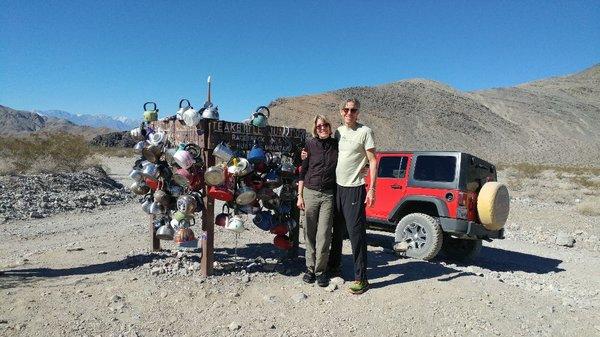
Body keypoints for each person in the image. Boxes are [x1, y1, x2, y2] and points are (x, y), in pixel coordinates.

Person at [334, 98, 377, 294]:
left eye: (353, 110)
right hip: (336, 188)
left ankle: (361, 278)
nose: (349, 113)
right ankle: (334, 267)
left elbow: (373, 161)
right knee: (336, 232)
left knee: (356, 235)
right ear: (341, 112)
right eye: (346, 110)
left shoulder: (365, 132)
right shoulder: (338, 132)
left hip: (354, 188)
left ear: (358, 112)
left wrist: (371, 188)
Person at [297, 115, 338, 287]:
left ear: (329, 127)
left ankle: (321, 271)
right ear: (315, 128)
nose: (322, 128)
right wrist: (299, 195)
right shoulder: (310, 145)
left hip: (328, 195)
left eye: (325, 125)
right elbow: (302, 171)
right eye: (319, 126)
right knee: (309, 233)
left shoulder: (337, 145)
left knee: (324, 234)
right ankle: (310, 269)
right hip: (310, 193)